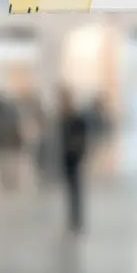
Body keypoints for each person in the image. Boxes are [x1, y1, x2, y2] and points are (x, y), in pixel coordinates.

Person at [58, 87, 89, 233]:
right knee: (70, 189)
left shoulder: (76, 118)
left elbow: (82, 139)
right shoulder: (62, 118)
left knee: (75, 189)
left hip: (74, 157)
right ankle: (73, 219)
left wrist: (78, 151)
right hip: (65, 157)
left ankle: (76, 219)